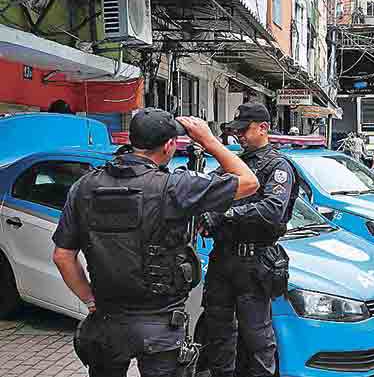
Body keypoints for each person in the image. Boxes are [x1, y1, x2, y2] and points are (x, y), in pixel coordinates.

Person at [52, 109, 259, 377]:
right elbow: (250, 182)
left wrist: (90, 300)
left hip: (106, 320)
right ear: (170, 145)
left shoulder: (84, 186)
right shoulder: (175, 187)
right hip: (160, 325)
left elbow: (62, 256)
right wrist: (209, 141)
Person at [199, 103, 300, 377]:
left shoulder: (278, 166)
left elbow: (271, 210)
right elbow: (209, 192)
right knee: (218, 331)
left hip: (254, 262)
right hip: (223, 259)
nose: (239, 136)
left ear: (263, 128)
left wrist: (225, 215)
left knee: (257, 339)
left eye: (245, 130)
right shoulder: (234, 164)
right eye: (236, 131)